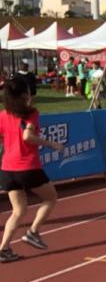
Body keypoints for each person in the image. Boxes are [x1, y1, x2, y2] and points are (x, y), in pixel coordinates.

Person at [0, 77, 64, 263]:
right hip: (27, 166)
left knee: (18, 211)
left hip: (7, 169)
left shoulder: (3, 115)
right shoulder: (31, 113)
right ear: (23, 94)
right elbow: (27, 136)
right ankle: (33, 231)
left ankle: (3, 248)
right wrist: (51, 144)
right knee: (51, 198)